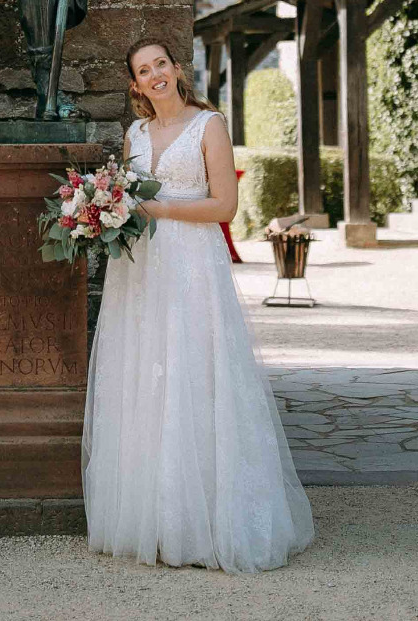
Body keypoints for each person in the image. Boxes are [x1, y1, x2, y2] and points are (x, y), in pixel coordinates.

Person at [82, 39, 315, 573]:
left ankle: (208, 520)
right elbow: (123, 196)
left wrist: (159, 207)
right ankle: (153, 519)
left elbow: (224, 205)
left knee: (193, 375)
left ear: (175, 69)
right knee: (143, 377)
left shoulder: (208, 125)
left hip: (191, 267)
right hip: (139, 271)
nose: (156, 74)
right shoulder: (135, 134)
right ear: (135, 86)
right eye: (144, 70)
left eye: (161, 63)